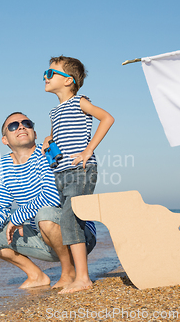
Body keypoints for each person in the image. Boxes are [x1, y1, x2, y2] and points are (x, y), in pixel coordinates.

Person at [0, 112, 96, 289]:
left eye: (26, 123)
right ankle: (36, 275)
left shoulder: (47, 153)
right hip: (42, 234)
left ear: (35, 134)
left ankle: (69, 272)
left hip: (78, 236)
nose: (21, 126)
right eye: (13, 126)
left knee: (45, 215)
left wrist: (17, 218)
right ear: (5, 140)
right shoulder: (2, 167)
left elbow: (52, 197)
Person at [42, 55, 115, 294]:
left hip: (81, 171)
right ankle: (75, 274)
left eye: (50, 73)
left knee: (70, 220)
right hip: (61, 173)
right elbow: (58, 135)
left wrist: (88, 150)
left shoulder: (80, 102)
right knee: (69, 220)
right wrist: (48, 140)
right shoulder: (54, 112)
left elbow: (107, 118)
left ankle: (83, 278)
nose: (45, 76)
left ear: (68, 81)